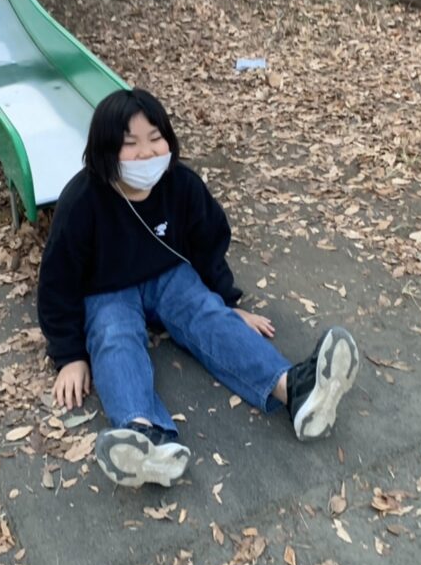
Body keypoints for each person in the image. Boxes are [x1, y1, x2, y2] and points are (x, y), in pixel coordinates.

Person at [37, 87, 359, 488]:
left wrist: (227, 301)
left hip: (169, 275)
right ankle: (143, 435)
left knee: (206, 313)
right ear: (105, 151)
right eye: (130, 144)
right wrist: (69, 354)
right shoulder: (82, 201)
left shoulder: (182, 184)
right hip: (106, 290)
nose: (146, 153)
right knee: (113, 335)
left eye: (155, 138)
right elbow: (57, 281)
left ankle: (296, 391)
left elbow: (209, 242)